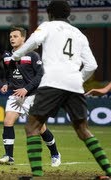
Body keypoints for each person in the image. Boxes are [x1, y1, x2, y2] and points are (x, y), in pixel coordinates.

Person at [11, 1, 111, 178]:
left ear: (49, 13)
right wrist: (77, 79)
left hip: (52, 82)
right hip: (74, 84)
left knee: (33, 126)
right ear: (68, 14)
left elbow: (33, 42)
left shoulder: (48, 26)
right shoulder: (79, 34)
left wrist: (16, 55)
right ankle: (109, 171)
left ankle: (37, 175)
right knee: (83, 130)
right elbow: (92, 65)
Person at [0, 27, 61, 167]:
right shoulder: (7, 56)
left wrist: (26, 88)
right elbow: (9, 74)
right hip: (15, 95)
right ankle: (9, 156)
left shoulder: (32, 55)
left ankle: (55, 154)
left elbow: (40, 75)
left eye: (15, 36)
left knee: (40, 128)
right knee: (8, 122)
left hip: (32, 96)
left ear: (23, 38)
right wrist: (7, 84)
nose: (12, 39)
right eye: (10, 37)